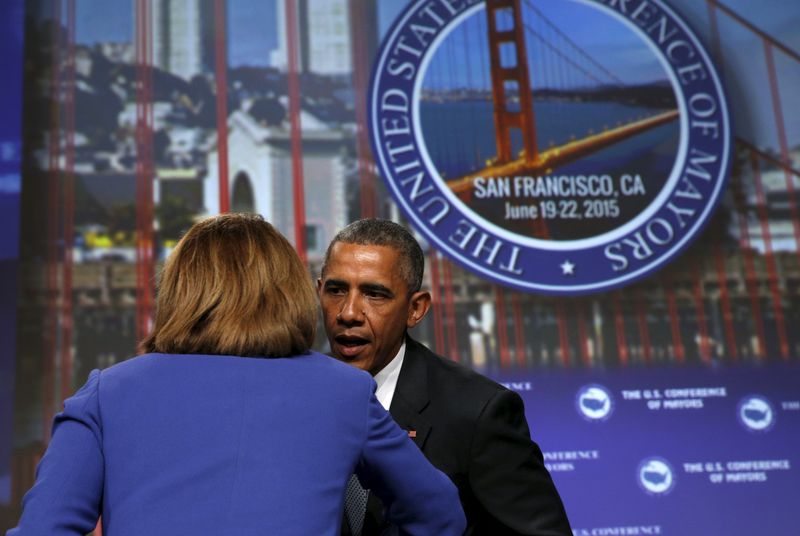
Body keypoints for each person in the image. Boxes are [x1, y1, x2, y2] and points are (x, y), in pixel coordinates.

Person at [9, 213, 465, 536]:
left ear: (179, 291)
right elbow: (440, 515)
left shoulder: (106, 394)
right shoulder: (343, 391)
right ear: (290, 291)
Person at [318, 219, 572, 536]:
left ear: (416, 309)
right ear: (318, 291)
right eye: (336, 290)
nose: (348, 312)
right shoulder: (292, 398)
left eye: (374, 294)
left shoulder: (478, 412)